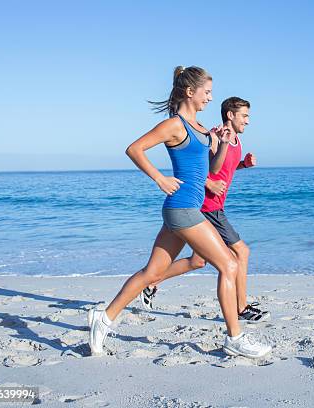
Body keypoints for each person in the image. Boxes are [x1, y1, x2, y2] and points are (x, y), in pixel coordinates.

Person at [87, 66, 272, 359]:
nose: (211, 98)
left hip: (184, 209)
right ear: (190, 92)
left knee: (153, 272)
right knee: (229, 265)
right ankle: (235, 337)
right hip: (183, 209)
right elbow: (134, 149)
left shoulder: (201, 130)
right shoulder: (175, 126)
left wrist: (222, 144)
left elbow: (210, 171)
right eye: (207, 92)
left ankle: (104, 317)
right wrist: (160, 178)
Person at [138, 97, 270, 324]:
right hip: (208, 206)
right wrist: (208, 184)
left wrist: (243, 165)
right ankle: (242, 307)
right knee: (241, 252)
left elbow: (224, 169)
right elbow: (202, 169)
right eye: (245, 116)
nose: (248, 121)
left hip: (213, 206)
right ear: (230, 115)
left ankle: (151, 282)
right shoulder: (215, 136)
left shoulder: (234, 140)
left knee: (197, 262)